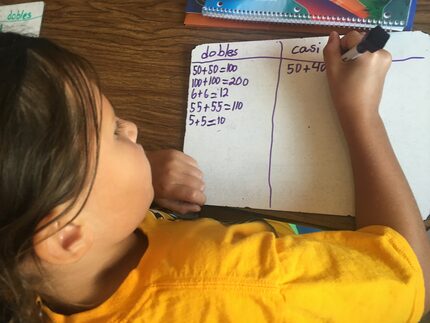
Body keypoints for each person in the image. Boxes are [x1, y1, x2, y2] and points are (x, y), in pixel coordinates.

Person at [0, 30, 428, 322]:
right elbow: (411, 280)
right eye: (114, 133)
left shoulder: (23, 274)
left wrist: (134, 190)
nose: (131, 129)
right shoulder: (240, 284)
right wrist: (361, 114)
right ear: (65, 236)